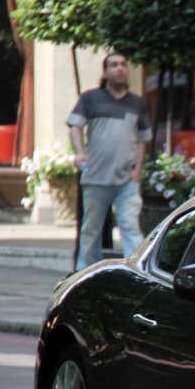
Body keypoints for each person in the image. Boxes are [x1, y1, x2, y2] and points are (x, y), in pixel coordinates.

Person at [67, 52, 152, 270]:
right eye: (114, 65)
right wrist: (80, 152)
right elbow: (75, 126)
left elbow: (143, 140)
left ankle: (137, 274)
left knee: (130, 227)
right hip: (96, 177)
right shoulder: (90, 99)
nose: (120, 68)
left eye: (123, 64)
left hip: (126, 180)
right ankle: (84, 274)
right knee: (91, 231)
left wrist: (137, 173)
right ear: (105, 72)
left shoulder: (137, 103)